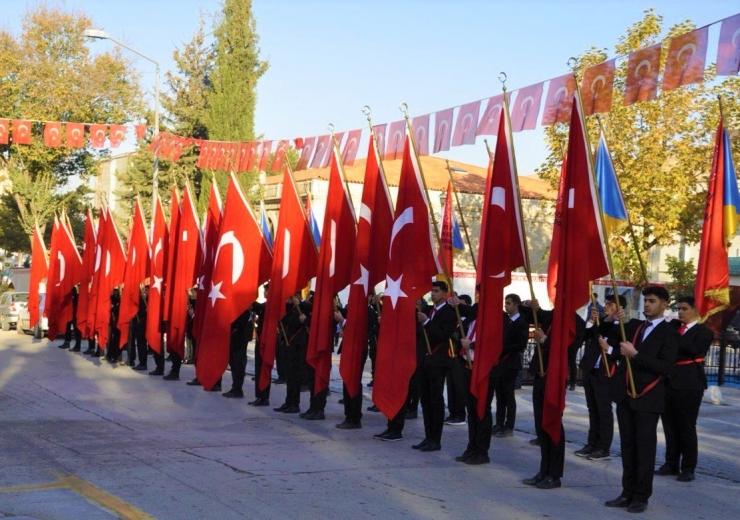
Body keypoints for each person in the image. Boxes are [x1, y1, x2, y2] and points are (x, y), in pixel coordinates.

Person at [600, 286, 678, 514]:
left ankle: (641, 496)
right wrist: (611, 318)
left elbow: (666, 367)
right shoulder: (635, 326)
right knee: (627, 446)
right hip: (626, 395)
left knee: (644, 448)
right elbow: (605, 334)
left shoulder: (669, 333)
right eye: (645, 301)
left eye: (652, 301)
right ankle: (627, 492)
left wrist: (635, 355)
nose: (647, 305)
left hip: (648, 397)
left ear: (664, 304)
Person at [656, 295, 713, 482]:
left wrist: (674, 336)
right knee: (669, 425)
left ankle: (688, 467)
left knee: (686, 426)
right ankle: (671, 463)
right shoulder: (674, 328)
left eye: (684, 309)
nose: (680, 312)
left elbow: (695, 350)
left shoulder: (703, 331)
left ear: (695, 311)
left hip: (689, 383)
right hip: (669, 381)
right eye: (678, 309)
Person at [574, 294, 623, 461]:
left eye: (610, 304)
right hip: (591, 371)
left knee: (604, 411)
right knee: (592, 410)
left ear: (619, 308)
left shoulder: (624, 327)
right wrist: (591, 321)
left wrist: (609, 349)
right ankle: (591, 443)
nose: (606, 306)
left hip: (606, 372)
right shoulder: (601, 324)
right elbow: (585, 335)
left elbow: (623, 353)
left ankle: (604, 447)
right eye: (606, 303)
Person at [411, 281, 457, 453]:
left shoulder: (449, 312)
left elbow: (443, 334)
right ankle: (427, 436)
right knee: (425, 400)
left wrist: (427, 322)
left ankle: (435, 439)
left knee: (435, 400)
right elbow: (420, 334)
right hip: (424, 360)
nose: (433, 294)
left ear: (445, 294)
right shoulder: (428, 310)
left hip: (438, 361)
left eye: (437, 291)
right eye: (432, 291)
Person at [492, 293, 529, 438]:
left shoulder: (521, 323)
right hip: (501, 362)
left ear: (516, 304)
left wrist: (503, 347)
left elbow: (521, 345)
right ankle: (499, 423)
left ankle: (509, 426)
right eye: (505, 303)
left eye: (508, 303)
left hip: (511, 363)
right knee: (499, 395)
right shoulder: (505, 321)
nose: (505, 305)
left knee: (508, 395)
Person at [273, 294, 311, 414]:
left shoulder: (304, 308)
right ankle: (288, 401)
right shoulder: (293, 309)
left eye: (292, 297)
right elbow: (284, 319)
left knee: (295, 377)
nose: (290, 299)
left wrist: (300, 303)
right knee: (290, 376)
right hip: (290, 346)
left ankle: (294, 404)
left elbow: (311, 308)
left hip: (298, 346)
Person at [249, 285, 270, 406]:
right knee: (258, 367)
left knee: (263, 368)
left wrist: (249, 298)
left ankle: (264, 396)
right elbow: (259, 308)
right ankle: (260, 395)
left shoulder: (271, 304)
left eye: (265, 291)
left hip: (266, 340)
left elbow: (260, 309)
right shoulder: (266, 304)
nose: (264, 293)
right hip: (260, 338)